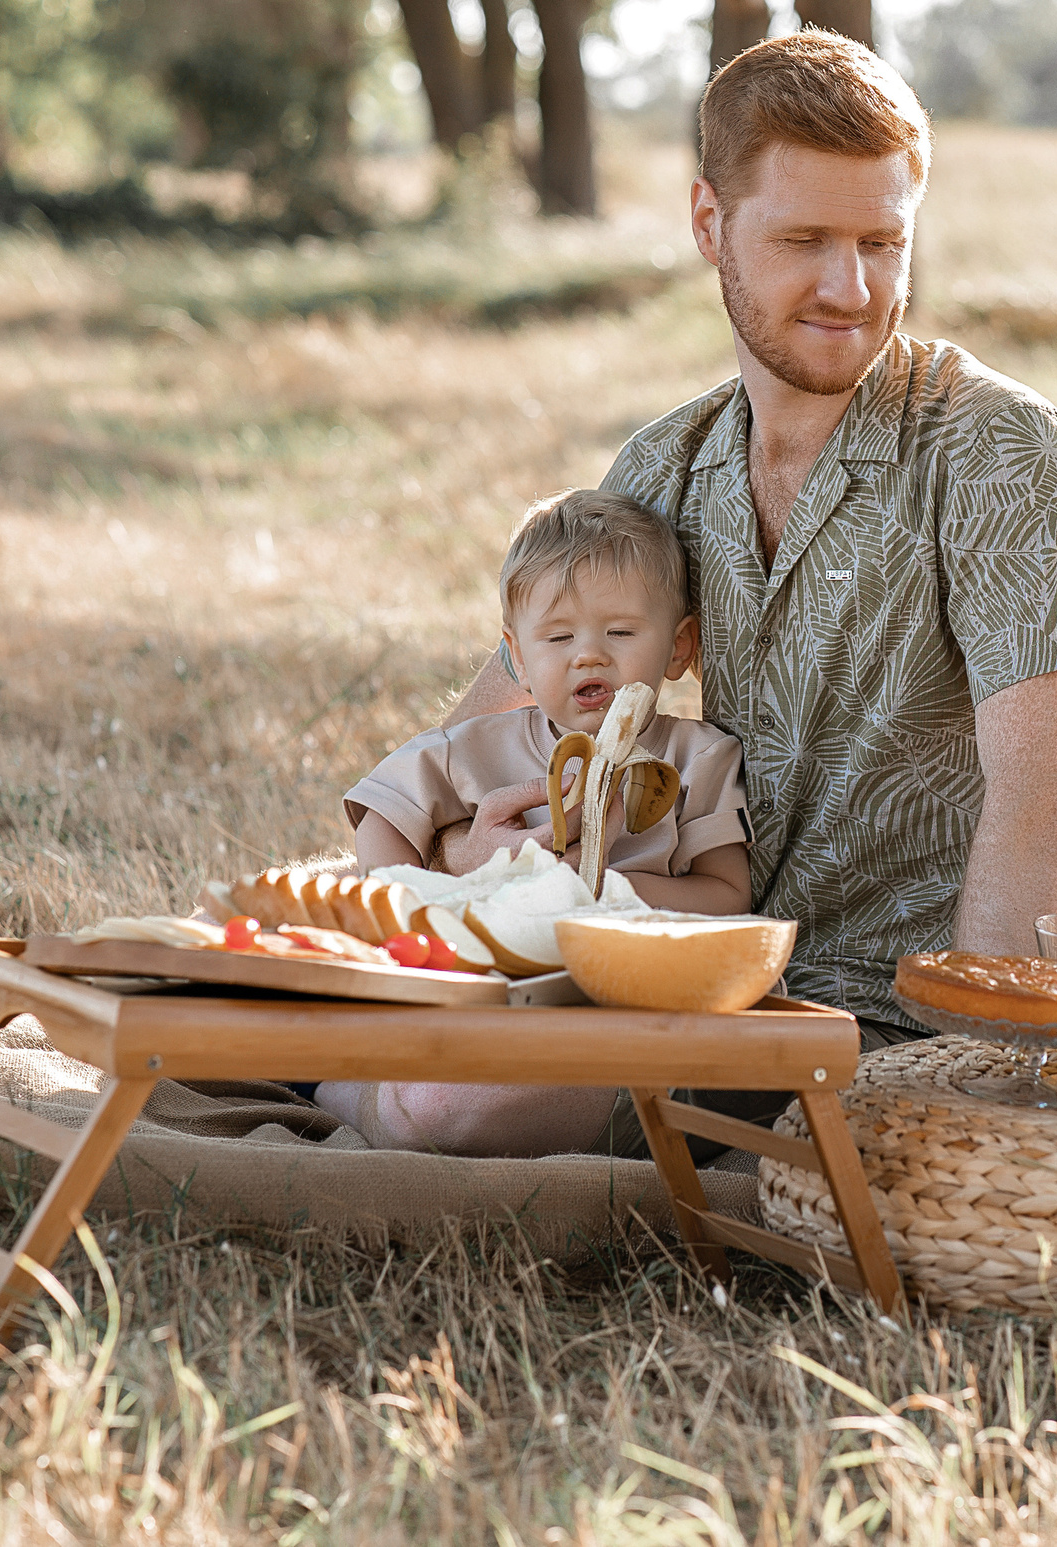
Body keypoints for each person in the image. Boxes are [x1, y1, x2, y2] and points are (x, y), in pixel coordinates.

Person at [397, 29, 1057, 1152]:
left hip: (884, 1022)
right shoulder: (666, 463)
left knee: (439, 1110)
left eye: (882, 243)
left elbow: (1042, 812)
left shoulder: (1000, 452)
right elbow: (497, 711)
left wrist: (976, 1089)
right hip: (682, 973)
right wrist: (453, 846)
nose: (851, 288)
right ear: (709, 226)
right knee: (371, 1046)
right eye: (803, 241)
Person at [319, 489, 753, 1153]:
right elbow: (383, 811)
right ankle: (342, 1087)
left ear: (678, 645)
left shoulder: (701, 758)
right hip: (489, 988)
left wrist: (598, 885)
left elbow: (729, 896)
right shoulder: (478, 748)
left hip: (614, 1010)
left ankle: (382, 1101)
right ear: (517, 657)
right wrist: (412, 912)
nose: (590, 655)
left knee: (457, 1097)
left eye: (621, 632)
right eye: (558, 637)